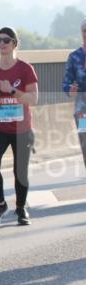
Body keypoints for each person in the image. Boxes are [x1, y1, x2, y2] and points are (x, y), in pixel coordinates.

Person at [0, 27, 39, 227]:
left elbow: (33, 98)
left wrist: (12, 91)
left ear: (14, 43)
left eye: (6, 40)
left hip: (21, 128)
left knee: (20, 170)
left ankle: (21, 207)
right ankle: (0, 204)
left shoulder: (25, 69)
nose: (2, 44)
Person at [62, 17, 86, 170]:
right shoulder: (74, 57)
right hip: (82, 110)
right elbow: (66, 84)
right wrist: (71, 90)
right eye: (84, 31)